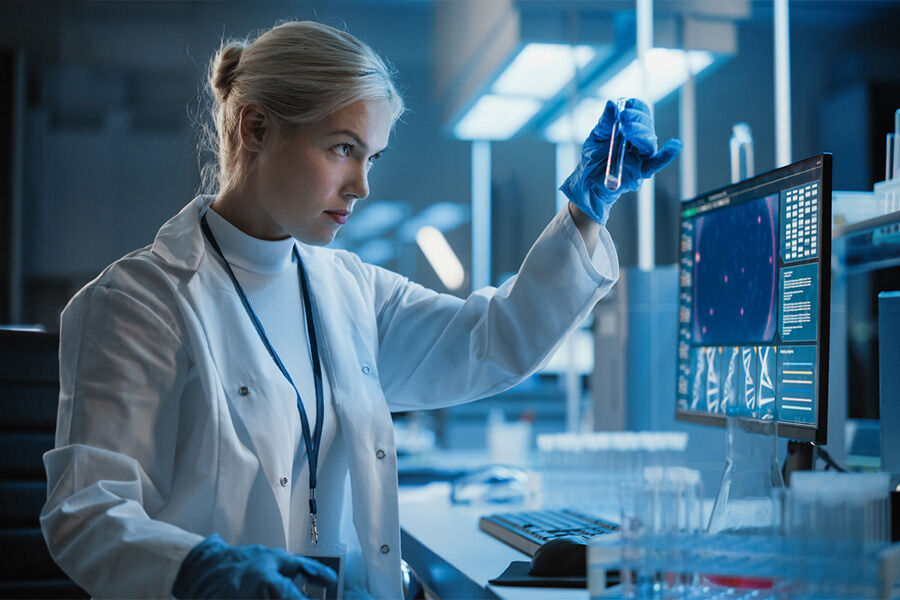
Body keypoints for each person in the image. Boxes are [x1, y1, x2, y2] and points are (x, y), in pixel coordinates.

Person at [39, 20, 680, 600]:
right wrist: (196, 567)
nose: (363, 186)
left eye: (370, 157)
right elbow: (88, 511)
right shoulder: (140, 302)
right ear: (255, 127)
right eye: (342, 148)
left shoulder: (350, 288)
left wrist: (584, 214)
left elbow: (491, 341)